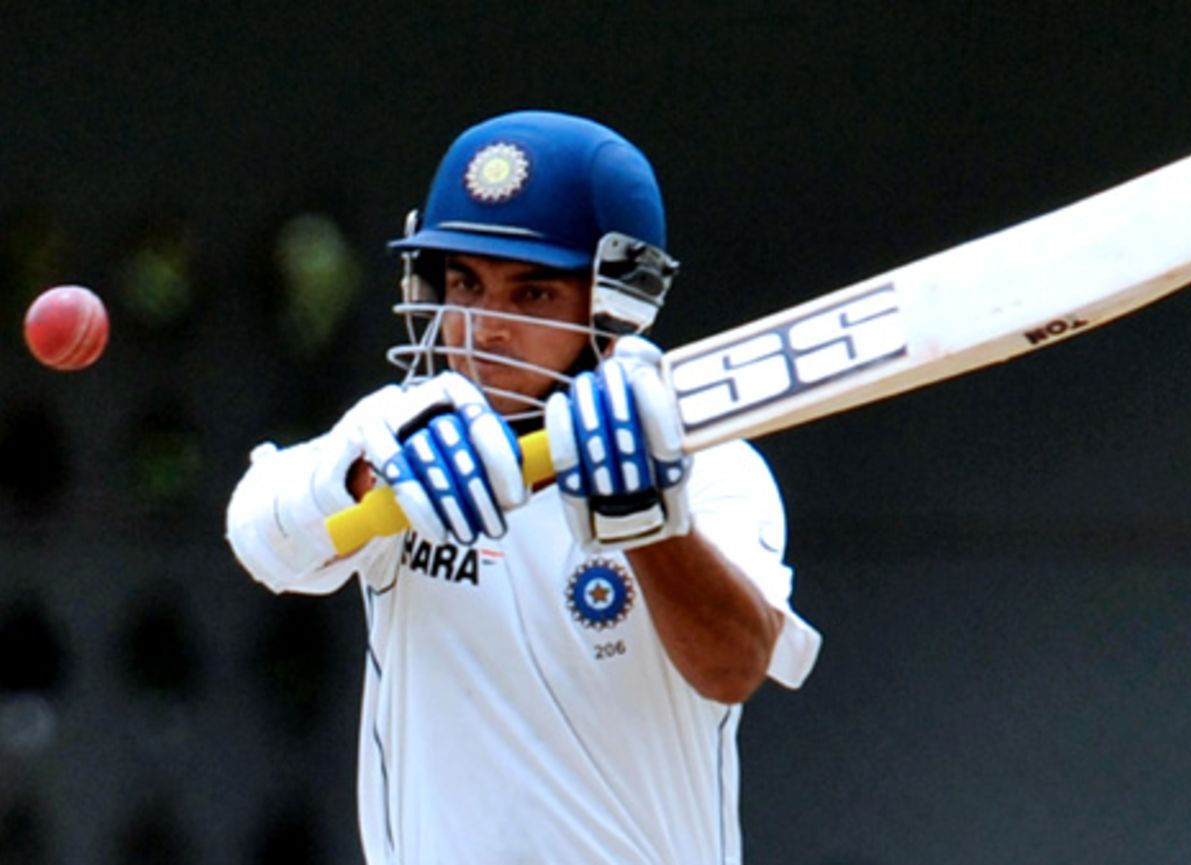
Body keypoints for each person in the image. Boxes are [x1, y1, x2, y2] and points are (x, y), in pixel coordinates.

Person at [225, 110, 822, 865]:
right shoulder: (403, 435)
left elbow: (733, 666)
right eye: (465, 284)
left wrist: (649, 521)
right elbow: (261, 541)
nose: (484, 328)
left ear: (614, 306)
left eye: (532, 294)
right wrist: (359, 471)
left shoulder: (713, 464)